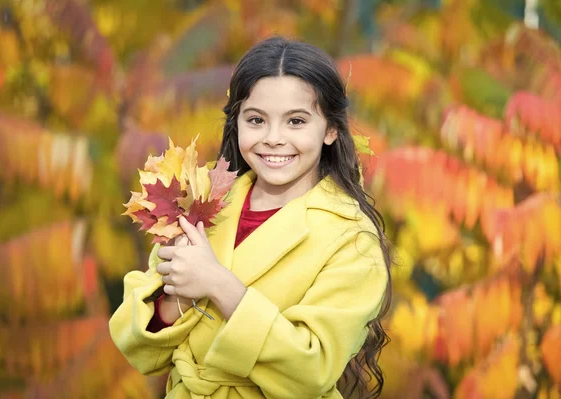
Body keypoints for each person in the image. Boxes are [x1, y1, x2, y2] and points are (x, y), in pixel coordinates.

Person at [109, 36, 392, 399]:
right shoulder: (205, 199)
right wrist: (177, 296)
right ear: (237, 123)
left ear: (331, 130)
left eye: (296, 121)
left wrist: (217, 284)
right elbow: (138, 346)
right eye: (256, 119)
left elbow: (313, 370)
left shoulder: (351, 238)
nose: (274, 138)